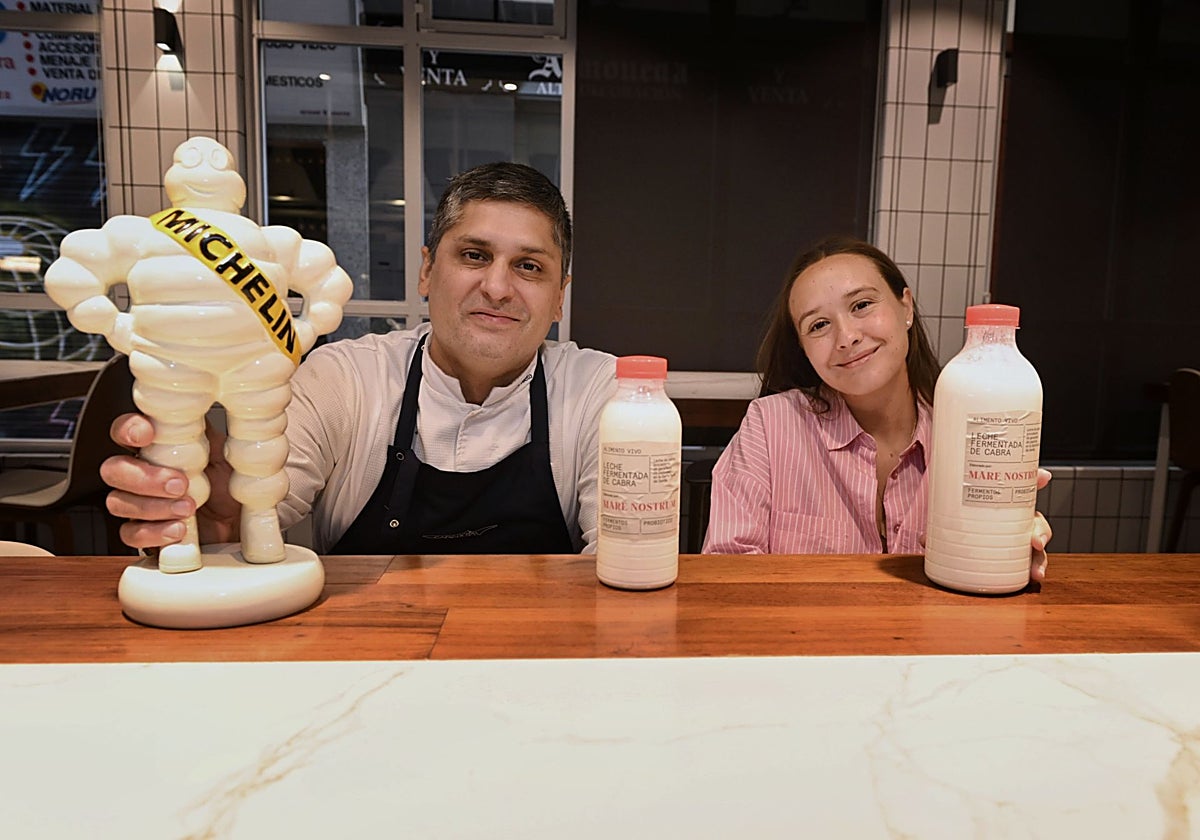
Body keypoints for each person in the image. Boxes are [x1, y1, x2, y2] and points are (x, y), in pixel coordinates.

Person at [102, 162, 617, 556]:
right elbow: (253, 510)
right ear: (427, 270)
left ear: (559, 299)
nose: (498, 287)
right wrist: (208, 516)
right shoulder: (345, 378)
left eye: (529, 266)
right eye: (474, 255)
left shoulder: (599, 391)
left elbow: (618, 556)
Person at [702, 236, 1052, 581]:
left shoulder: (968, 434)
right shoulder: (770, 425)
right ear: (803, 348)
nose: (846, 337)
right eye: (819, 325)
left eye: (862, 305)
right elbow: (726, 574)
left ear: (906, 308)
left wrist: (1009, 543)